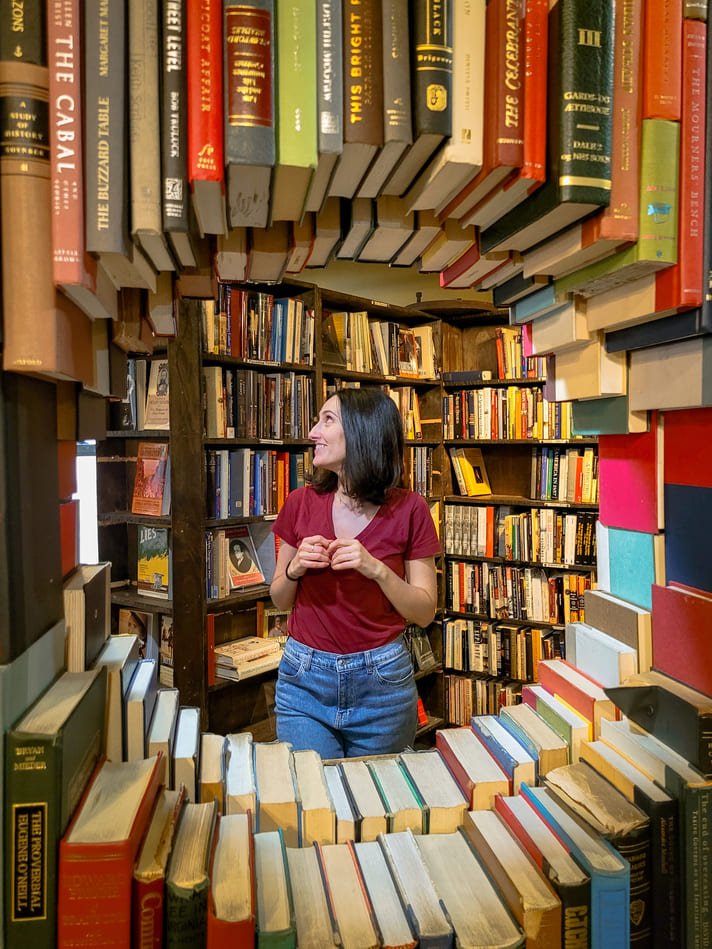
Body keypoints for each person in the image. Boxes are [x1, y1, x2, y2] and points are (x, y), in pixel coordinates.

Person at [270, 387, 440, 758]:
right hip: (304, 681)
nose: (314, 432)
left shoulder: (410, 509)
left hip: (382, 685)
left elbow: (425, 612)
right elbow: (280, 599)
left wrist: (376, 569)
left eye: (327, 420)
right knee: (314, 803)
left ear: (364, 432)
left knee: (377, 807)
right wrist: (295, 569)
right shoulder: (300, 503)